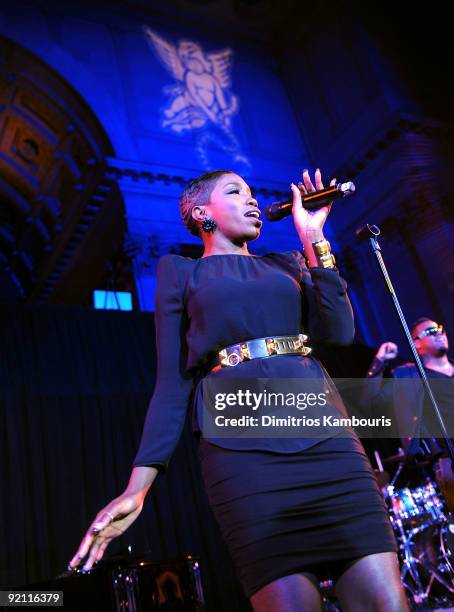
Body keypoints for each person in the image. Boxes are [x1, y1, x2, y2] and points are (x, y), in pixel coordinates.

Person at [69, 169, 408, 611]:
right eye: (235, 192)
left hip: (327, 442)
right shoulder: (181, 273)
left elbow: (340, 332)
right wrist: (137, 487)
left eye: (252, 194)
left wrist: (313, 239)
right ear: (200, 213)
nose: (252, 201)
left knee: (387, 604)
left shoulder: (288, 262)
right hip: (246, 456)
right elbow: (173, 385)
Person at [365, 318, 454, 509]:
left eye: (440, 329)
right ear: (416, 342)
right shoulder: (407, 377)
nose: (439, 333)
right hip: (448, 462)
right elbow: (370, 400)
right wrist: (379, 362)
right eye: (430, 332)